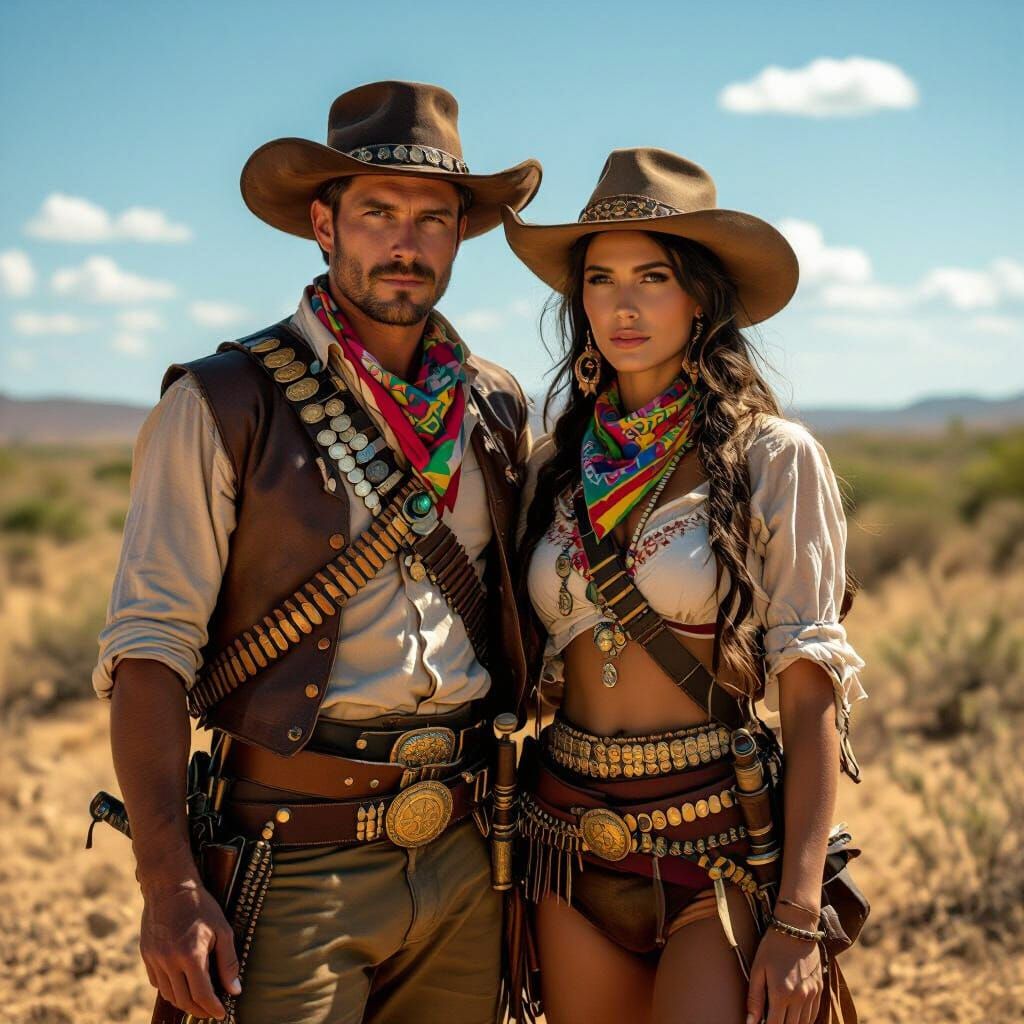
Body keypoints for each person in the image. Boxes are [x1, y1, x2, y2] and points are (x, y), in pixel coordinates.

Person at [93, 80, 540, 1024]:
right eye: (377, 212)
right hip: (294, 848)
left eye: (433, 217)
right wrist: (170, 885)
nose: (406, 242)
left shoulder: (495, 406)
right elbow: (149, 654)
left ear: (460, 236)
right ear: (323, 225)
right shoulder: (223, 401)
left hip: (465, 845)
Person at [504, 148, 867, 1024]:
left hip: (720, 844)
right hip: (569, 838)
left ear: (700, 294)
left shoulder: (772, 458)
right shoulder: (554, 469)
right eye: (601, 279)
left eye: (653, 276)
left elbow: (810, 690)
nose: (622, 306)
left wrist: (799, 914)